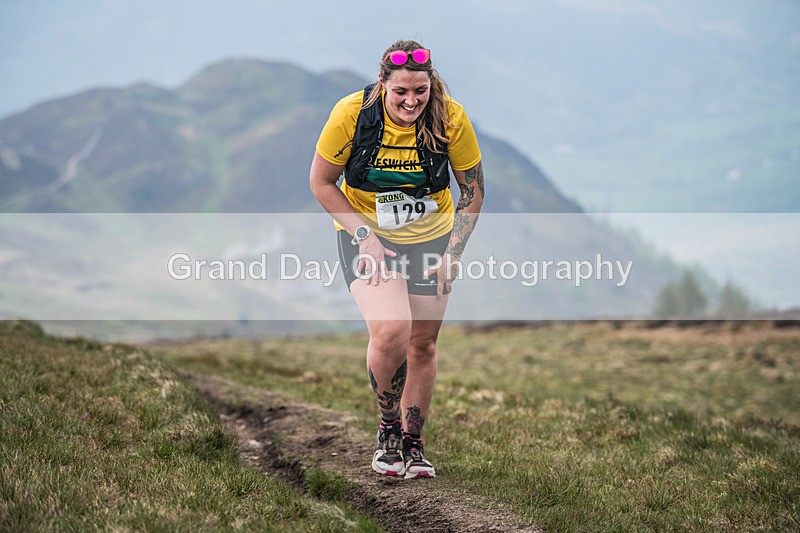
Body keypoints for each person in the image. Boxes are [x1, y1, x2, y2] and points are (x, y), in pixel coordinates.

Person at [309, 40, 484, 479]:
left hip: (431, 237)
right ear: (382, 83)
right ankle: (388, 430)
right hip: (367, 237)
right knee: (391, 330)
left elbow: (473, 191)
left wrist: (453, 255)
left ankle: (413, 443)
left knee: (421, 342)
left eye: (420, 91)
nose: (411, 101)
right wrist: (363, 234)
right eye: (400, 91)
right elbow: (321, 182)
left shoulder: (451, 118)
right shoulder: (351, 114)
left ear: (431, 85)